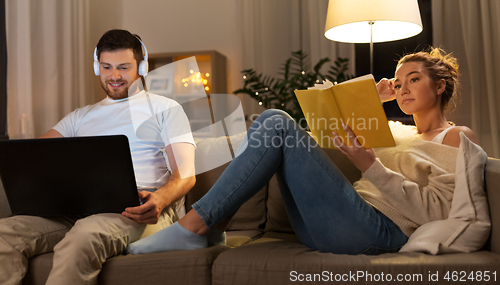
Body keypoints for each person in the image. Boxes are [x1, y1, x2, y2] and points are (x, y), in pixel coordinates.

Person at [127, 47, 479, 256]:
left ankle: (193, 227)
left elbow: (438, 212)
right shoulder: (395, 130)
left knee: (276, 121)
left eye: (414, 79)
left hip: (381, 233)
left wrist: (370, 166)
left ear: (441, 85)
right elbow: (334, 109)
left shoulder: (456, 137)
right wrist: (374, 93)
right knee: (275, 125)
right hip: (333, 225)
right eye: (399, 82)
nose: (403, 88)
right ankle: (213, 225)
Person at [0, 29, 197, 285]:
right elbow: (30, 156)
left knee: (83, 236)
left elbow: (186, 174)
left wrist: (159, 200)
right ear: (97, 67)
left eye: (123, 67)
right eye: (106, 67)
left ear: (141, 67)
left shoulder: (165, 109)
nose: (114, 76)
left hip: (136, 211)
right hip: (76, 209)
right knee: (4, 234)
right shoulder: (80, 117)